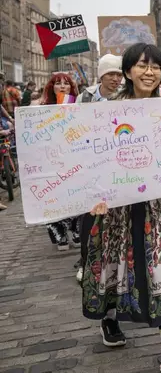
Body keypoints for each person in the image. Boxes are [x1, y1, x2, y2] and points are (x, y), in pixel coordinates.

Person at [81, 43, 161, 373]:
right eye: (142, 65)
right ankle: (111, 319)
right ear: (128, 71)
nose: (150, 72)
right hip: (117, 209)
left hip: (157, 209)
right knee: (115, 267)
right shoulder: (108, 111)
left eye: (156, 66)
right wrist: (95, 194)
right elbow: (93, 157)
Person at [74, 54, 123, 283]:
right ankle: (86, 263)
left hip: (116, 164)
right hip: (91, 164)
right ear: (101, 75)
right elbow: (73, 125)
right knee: (89, 217)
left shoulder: (124, 96)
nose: (115, 78)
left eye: (118, 74)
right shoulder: (85, 97)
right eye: (111, 74)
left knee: (113, 218)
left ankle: (112, 265)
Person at [42, 73, 81, 251]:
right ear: (52, 87)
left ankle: (76, 229)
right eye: (58, 84)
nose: (63, 87)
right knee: (54, 196)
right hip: (51, 161)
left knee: (75, 193)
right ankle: (59, 233)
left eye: (66, 84)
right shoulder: (41, 109)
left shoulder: (79, 107)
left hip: (73, 159)